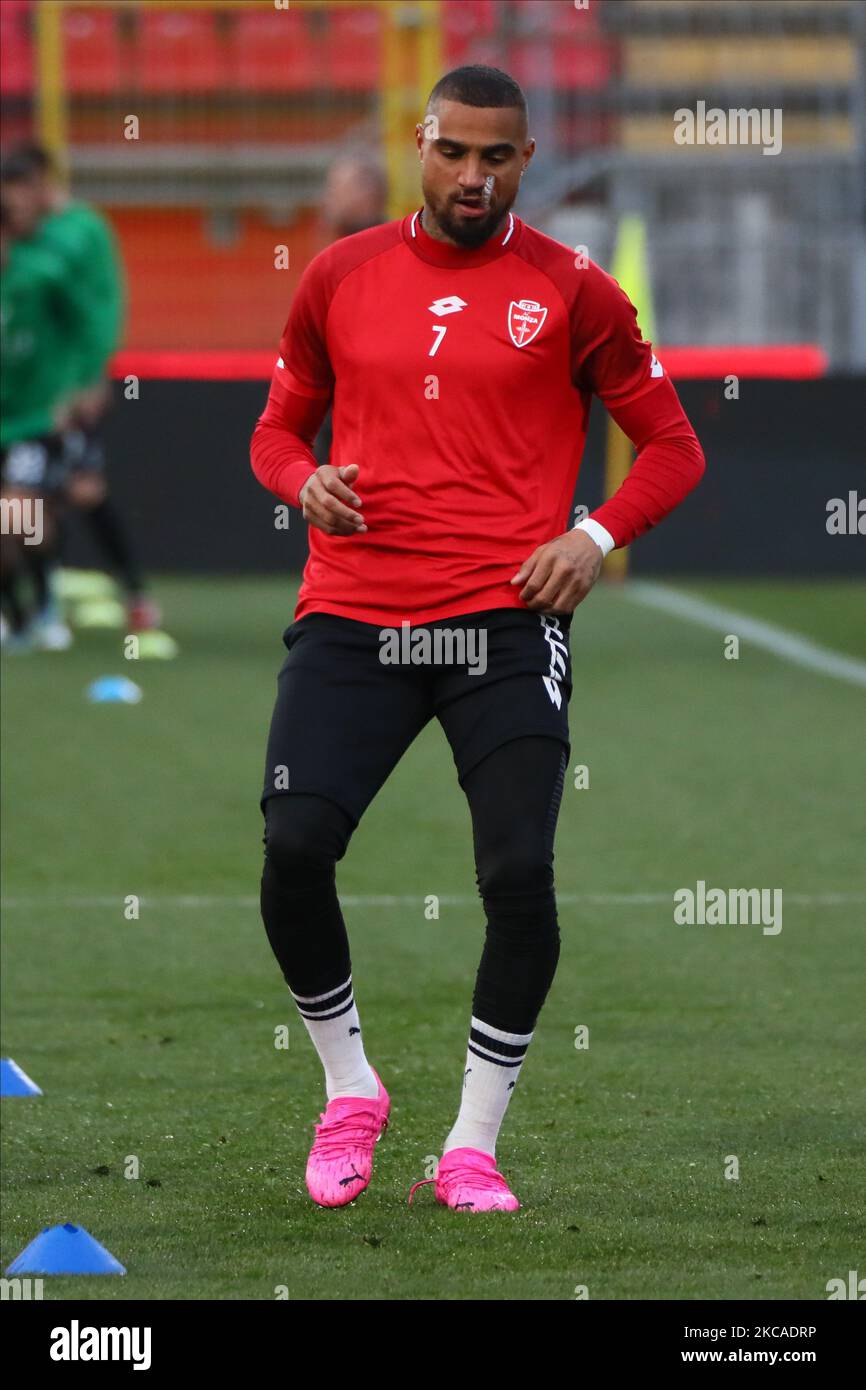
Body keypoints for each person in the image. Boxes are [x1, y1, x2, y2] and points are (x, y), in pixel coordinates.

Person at [250, 66, 705, 1213]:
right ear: (422, 143)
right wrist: (304, 484)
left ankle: (471, 1143)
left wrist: (592, 536)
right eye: (453, 152)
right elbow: (273, 430)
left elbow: (671, 445)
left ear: (525, 160)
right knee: (295, 847)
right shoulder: (339, 275)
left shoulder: (572, 290)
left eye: (495, 157)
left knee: (515, 871)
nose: (471, 175)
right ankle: (350, 1088)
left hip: (504, 618)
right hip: (353, 611)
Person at [0, 143, 159, 632]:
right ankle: (38, 606)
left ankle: (129, 591)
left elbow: (99, 307)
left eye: (21, 190)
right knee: (33, 503)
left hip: (65, 393)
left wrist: (94, 374)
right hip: (27, 403)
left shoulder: (80, 234)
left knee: (80, 490)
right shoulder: (22, 245)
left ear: (43, 182)